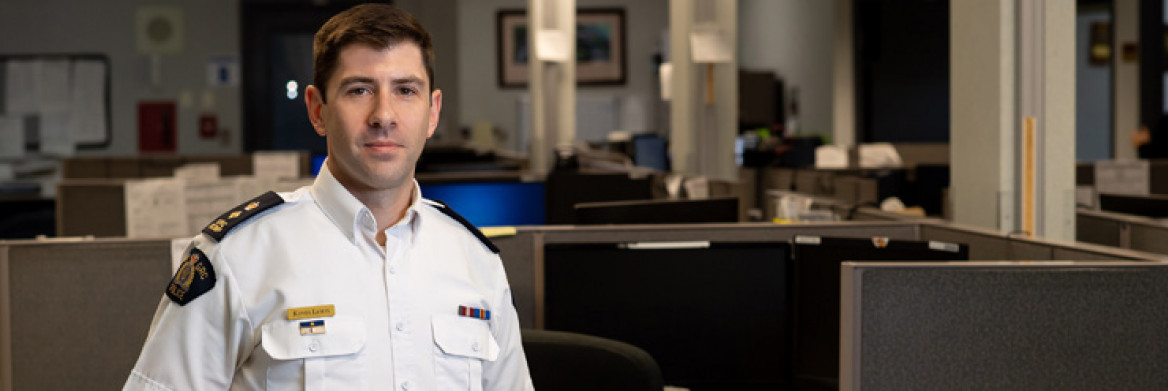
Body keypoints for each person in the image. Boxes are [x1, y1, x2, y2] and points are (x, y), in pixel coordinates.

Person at [123, 4, 534, 390]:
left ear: (433, 112)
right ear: (317, 110)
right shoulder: (237, 256)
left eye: (406, 90)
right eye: (359, 90)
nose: (384, 115)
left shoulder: (477, 262)